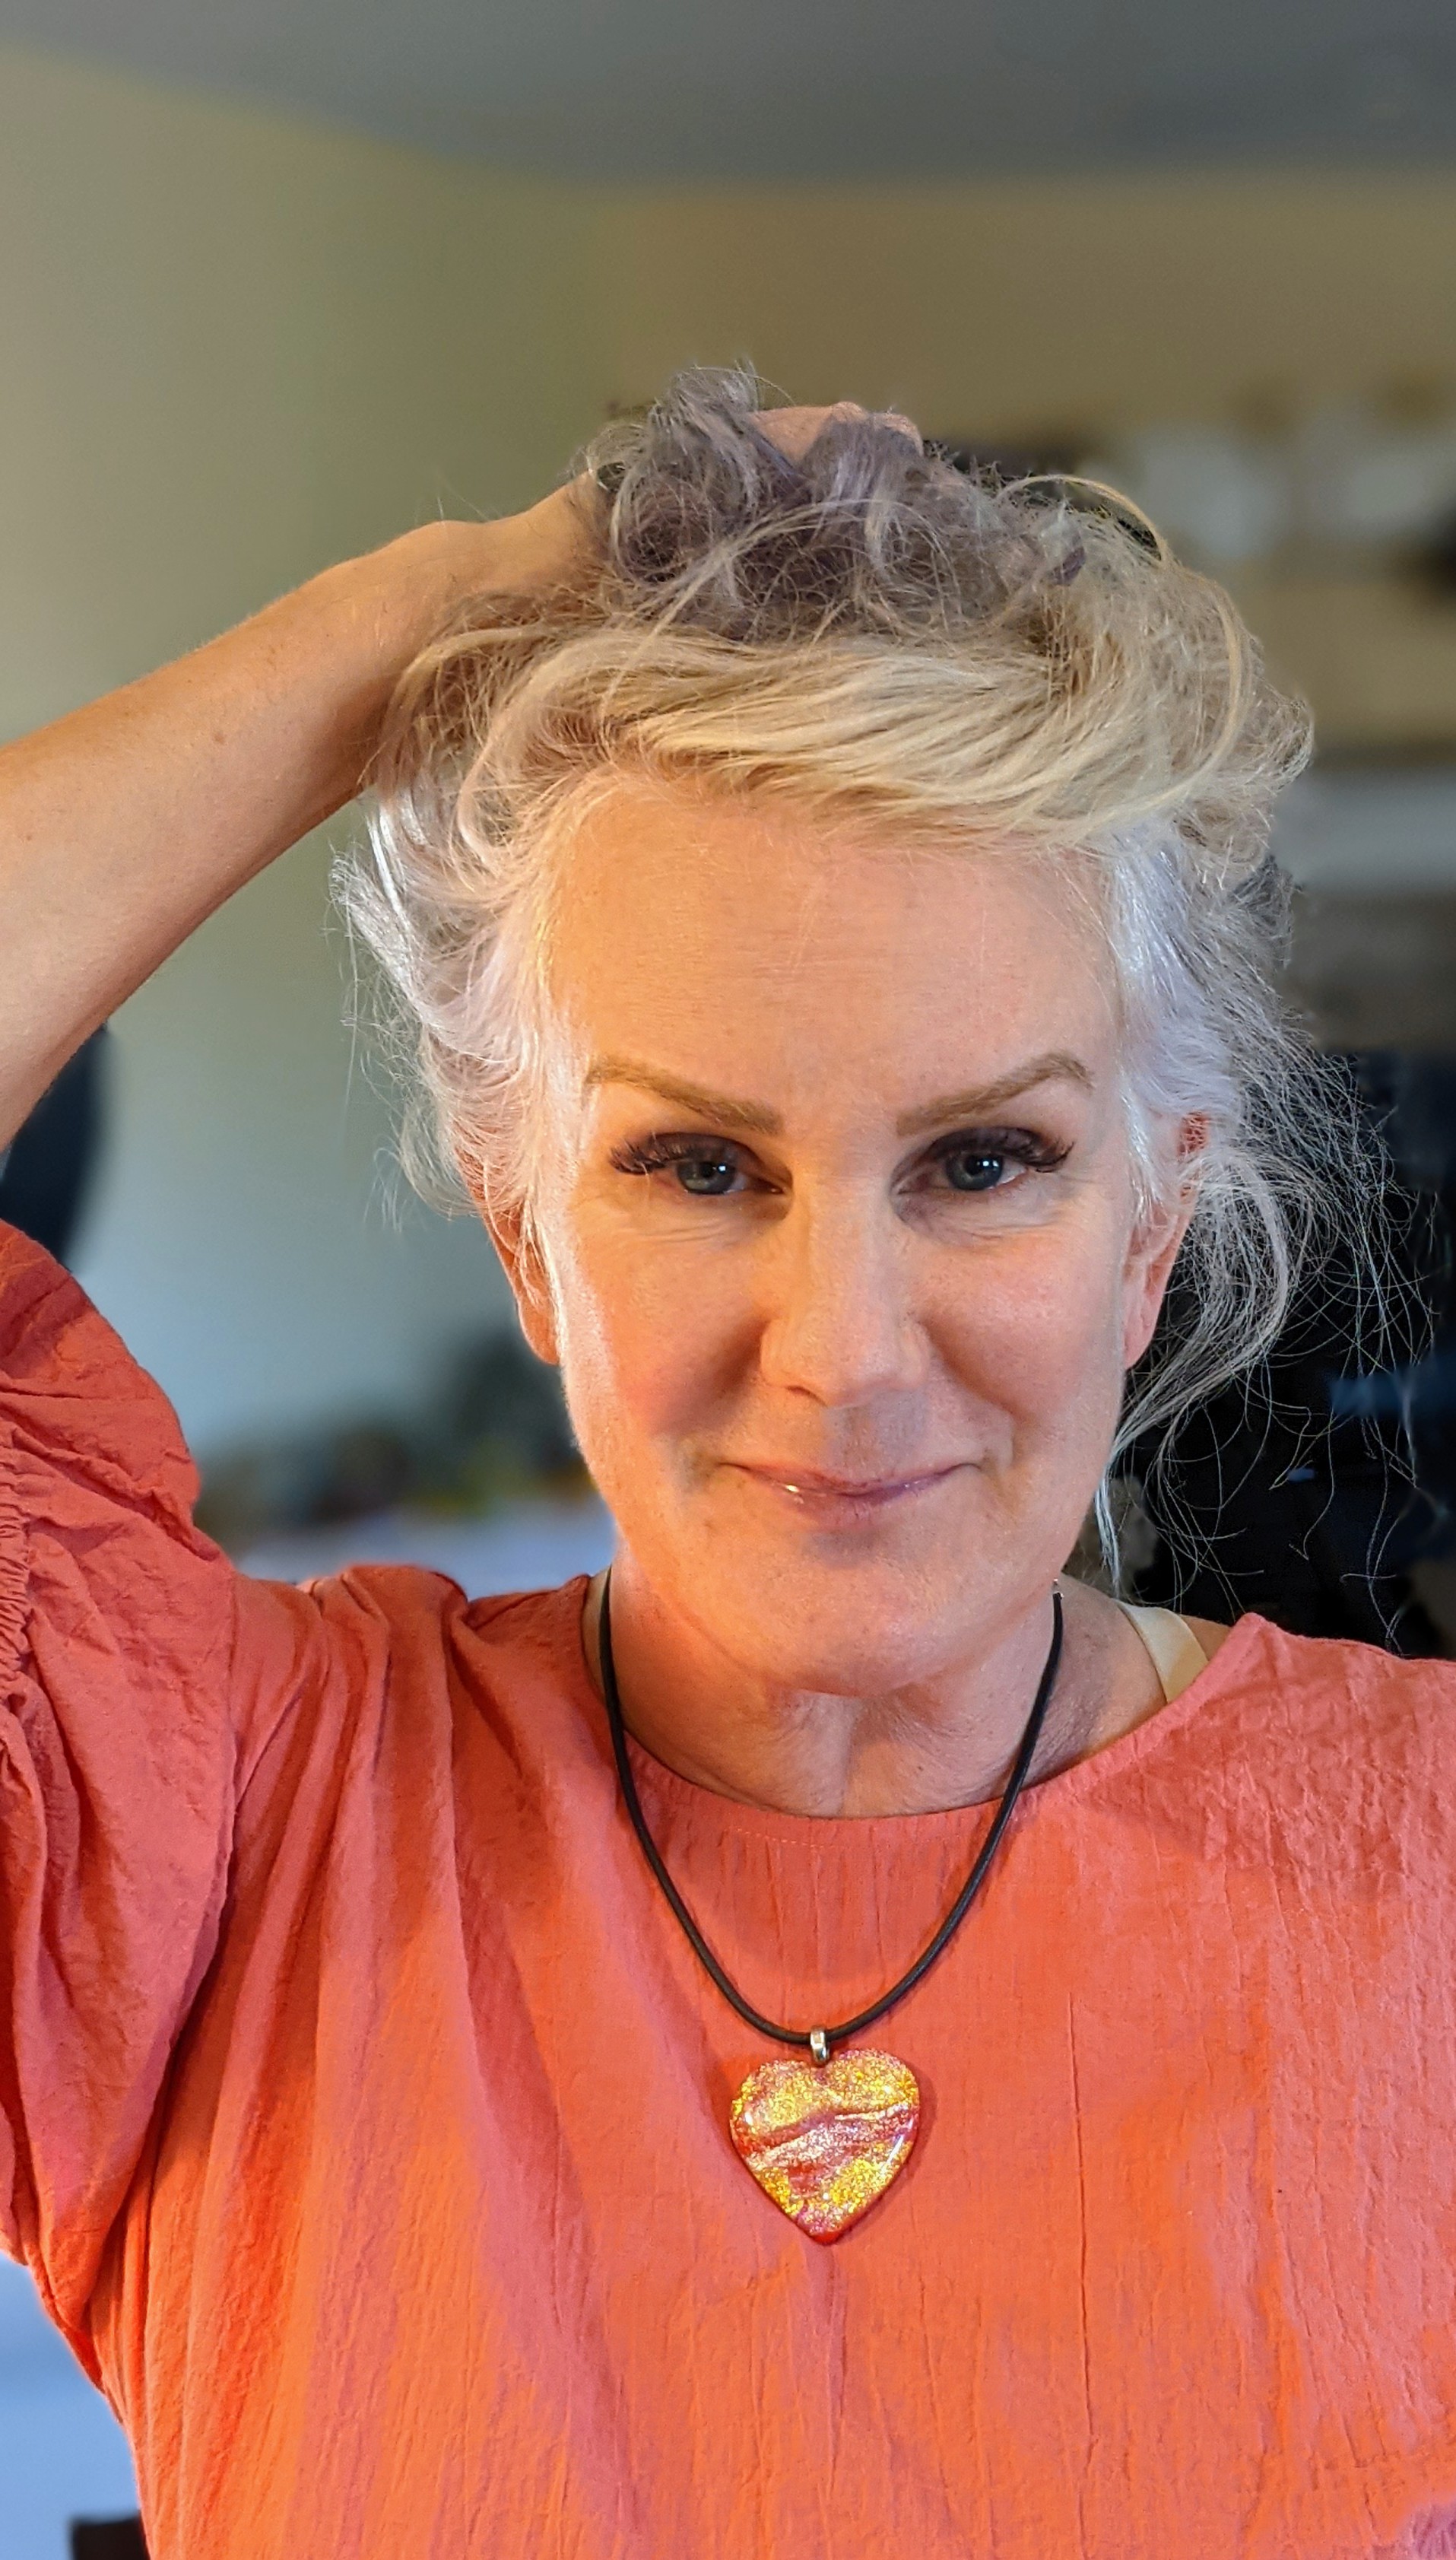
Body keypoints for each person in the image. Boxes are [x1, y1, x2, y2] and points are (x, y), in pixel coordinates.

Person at [2, 373, 1454, 2560]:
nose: (845, 1353)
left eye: (985, 1159)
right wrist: (424, 615)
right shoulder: (204, 1830)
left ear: (1150, 1229)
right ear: (523, 1236)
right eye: (696, 1164)